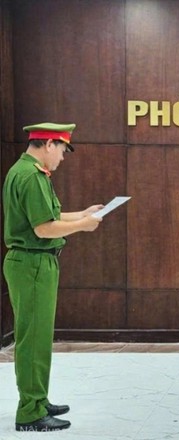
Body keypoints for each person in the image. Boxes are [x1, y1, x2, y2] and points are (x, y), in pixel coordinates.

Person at [3, 122, 104, 431]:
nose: (62, 157)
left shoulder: (26, 171)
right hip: (32, 263)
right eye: (62, 150)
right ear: (48, 144)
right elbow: (43, 229)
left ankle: (37, 398)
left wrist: (82, 214)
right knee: (33, 339)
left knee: (37, 336)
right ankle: (30, 412)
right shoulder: (32, 177)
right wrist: (83, 226)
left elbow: (49, 215)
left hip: (32, 263)